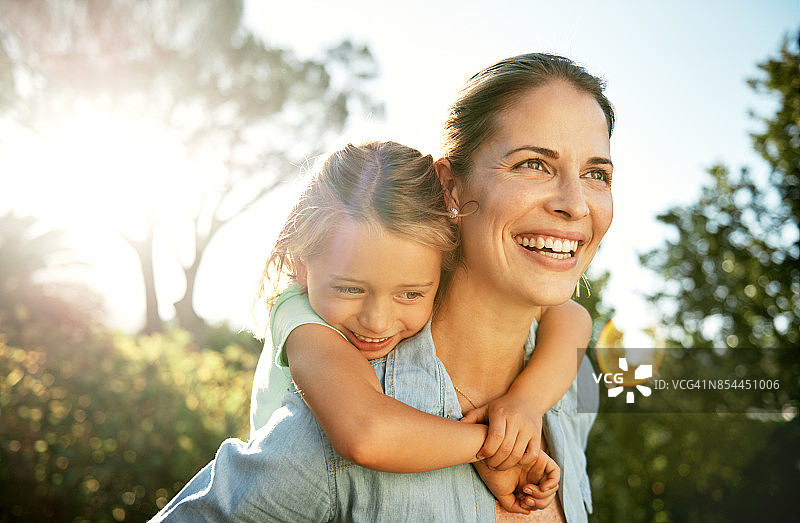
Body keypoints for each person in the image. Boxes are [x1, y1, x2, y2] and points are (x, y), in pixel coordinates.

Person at [151, 52, 613, 522]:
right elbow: (362, 434)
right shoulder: (332, 415)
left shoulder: (570, 390)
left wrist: (526, 405)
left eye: (597, 174)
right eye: (533, 164)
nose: (575, 205)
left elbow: (574, 318)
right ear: (451, 188)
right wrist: (493, 444)